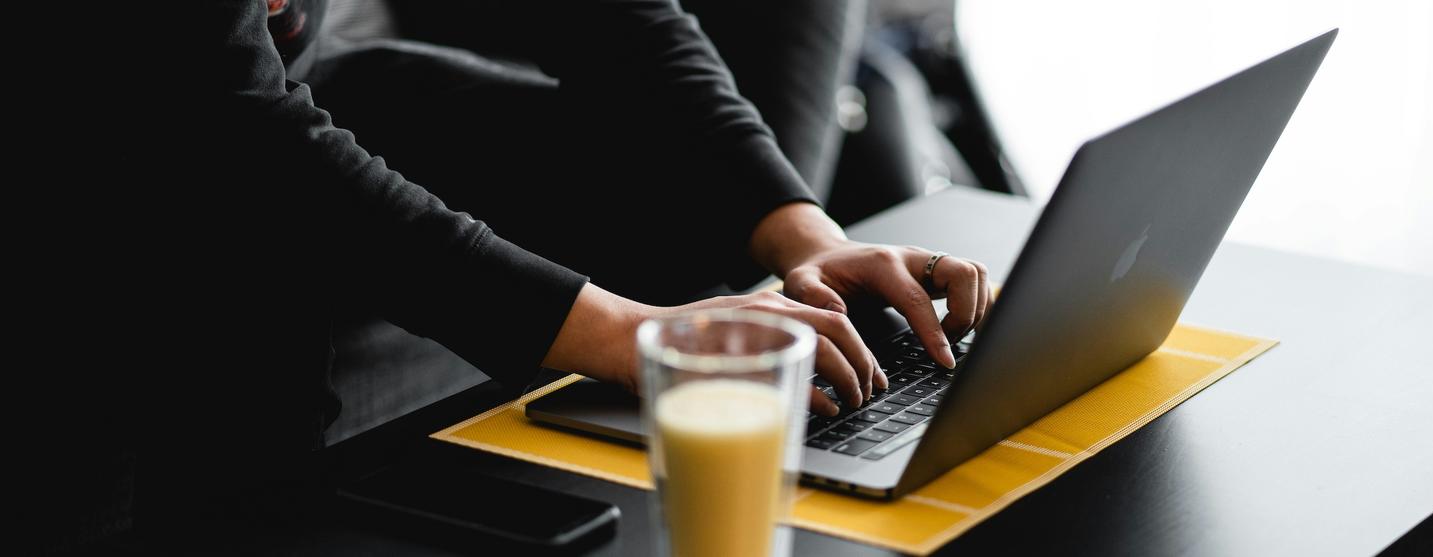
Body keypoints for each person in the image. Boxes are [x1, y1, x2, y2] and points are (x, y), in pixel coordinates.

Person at [26, 0, 991, 552]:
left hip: (282, 87)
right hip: (108, 145)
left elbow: (616, 21)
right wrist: (625, 334)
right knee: (238, 265)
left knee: (651, 184)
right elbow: (233, 130)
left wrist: (801, 234)